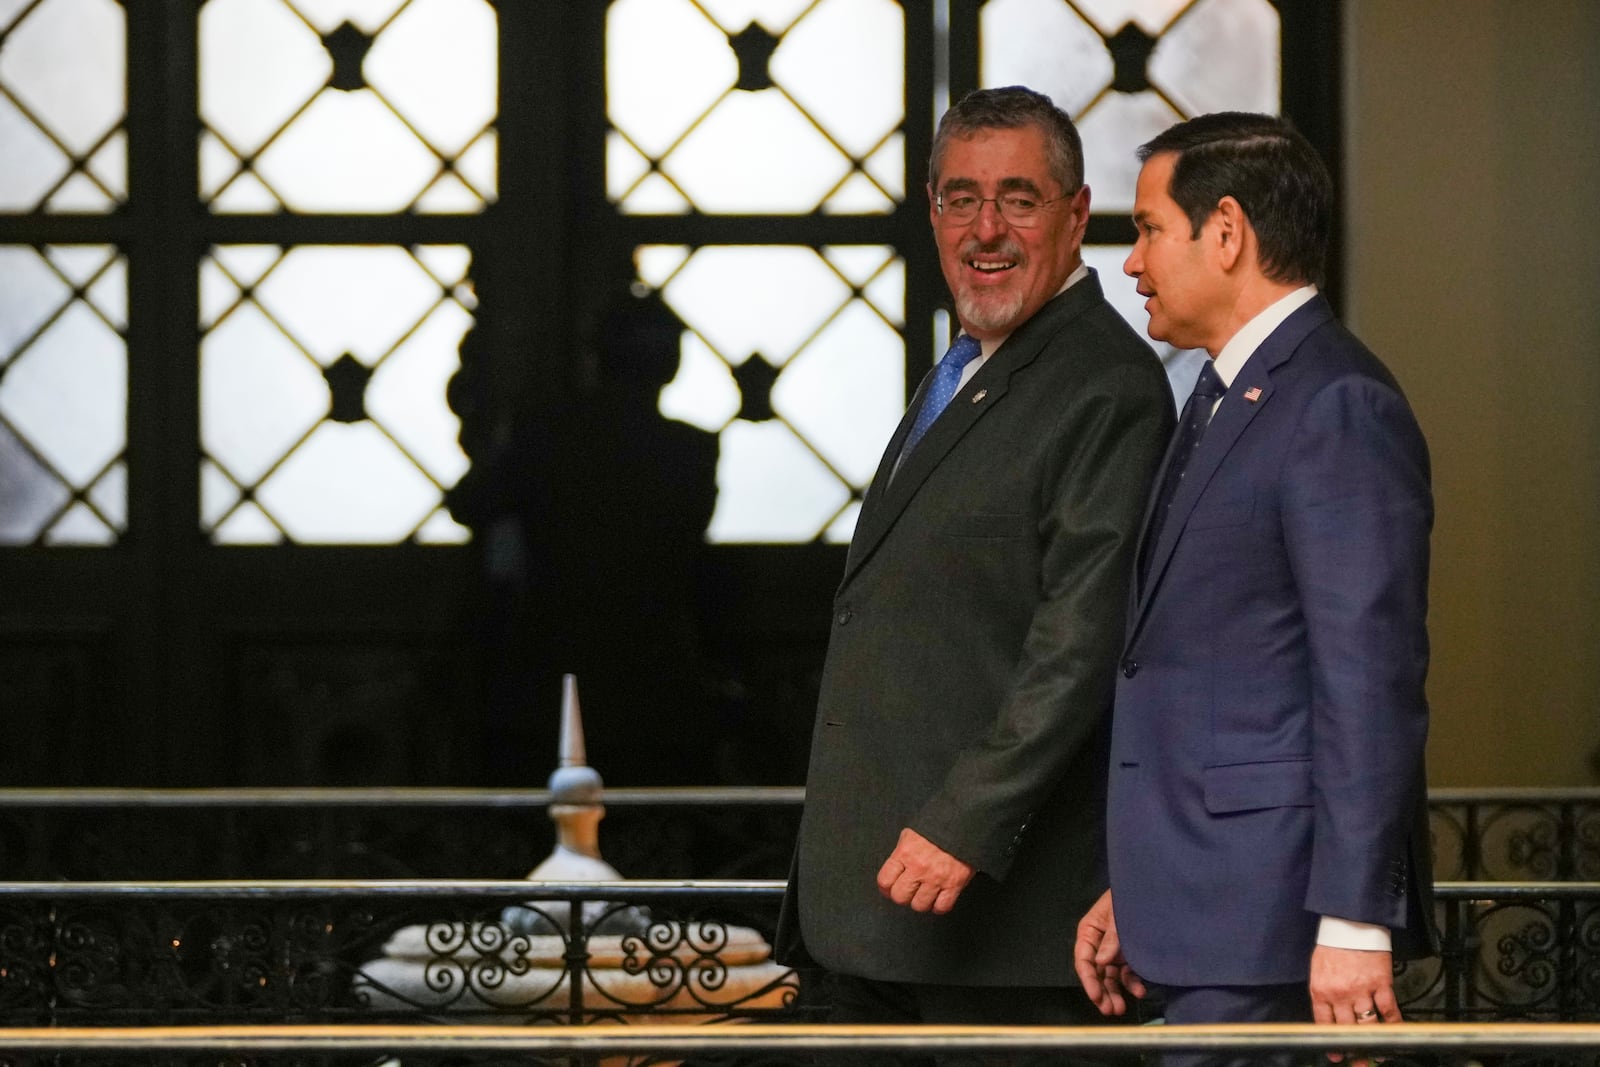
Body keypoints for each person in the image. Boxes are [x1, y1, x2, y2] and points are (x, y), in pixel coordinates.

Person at [774, 86, 1174, 1043]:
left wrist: (963, 821)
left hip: (1002, 932)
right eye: (961, 198)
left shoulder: (1105, 385)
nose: (985, 229)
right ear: (931, 209)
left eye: (1020, 199)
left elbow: (1079, 641)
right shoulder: (965, 365)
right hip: (879, 916)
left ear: (1077, 215)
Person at [1073, 112, 1437, 1058]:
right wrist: (1139, 885)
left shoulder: (1336, 401)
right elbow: (1204, 672)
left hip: (1280, 927)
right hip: (1206, 914)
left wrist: (1357, 921)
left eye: (1148, 228)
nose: (1131, 263)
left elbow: (1369, 685)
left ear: (1226, 232)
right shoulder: (1223, 395)